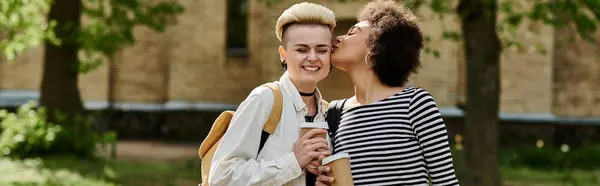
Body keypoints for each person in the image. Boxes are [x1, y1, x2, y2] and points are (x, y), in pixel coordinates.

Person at [316, 0, 460, 185]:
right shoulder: (335, 113)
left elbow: (446, 181)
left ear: (376, 48)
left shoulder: (415, 103)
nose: (337, 39)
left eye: (352, 33)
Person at [208, 2, 337, 186]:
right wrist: (294, 161)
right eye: (302, 49)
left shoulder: (327, 112)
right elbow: (221, 178)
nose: (313, 57)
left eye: (322, 50)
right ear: (283, 54)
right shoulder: (265, 99)